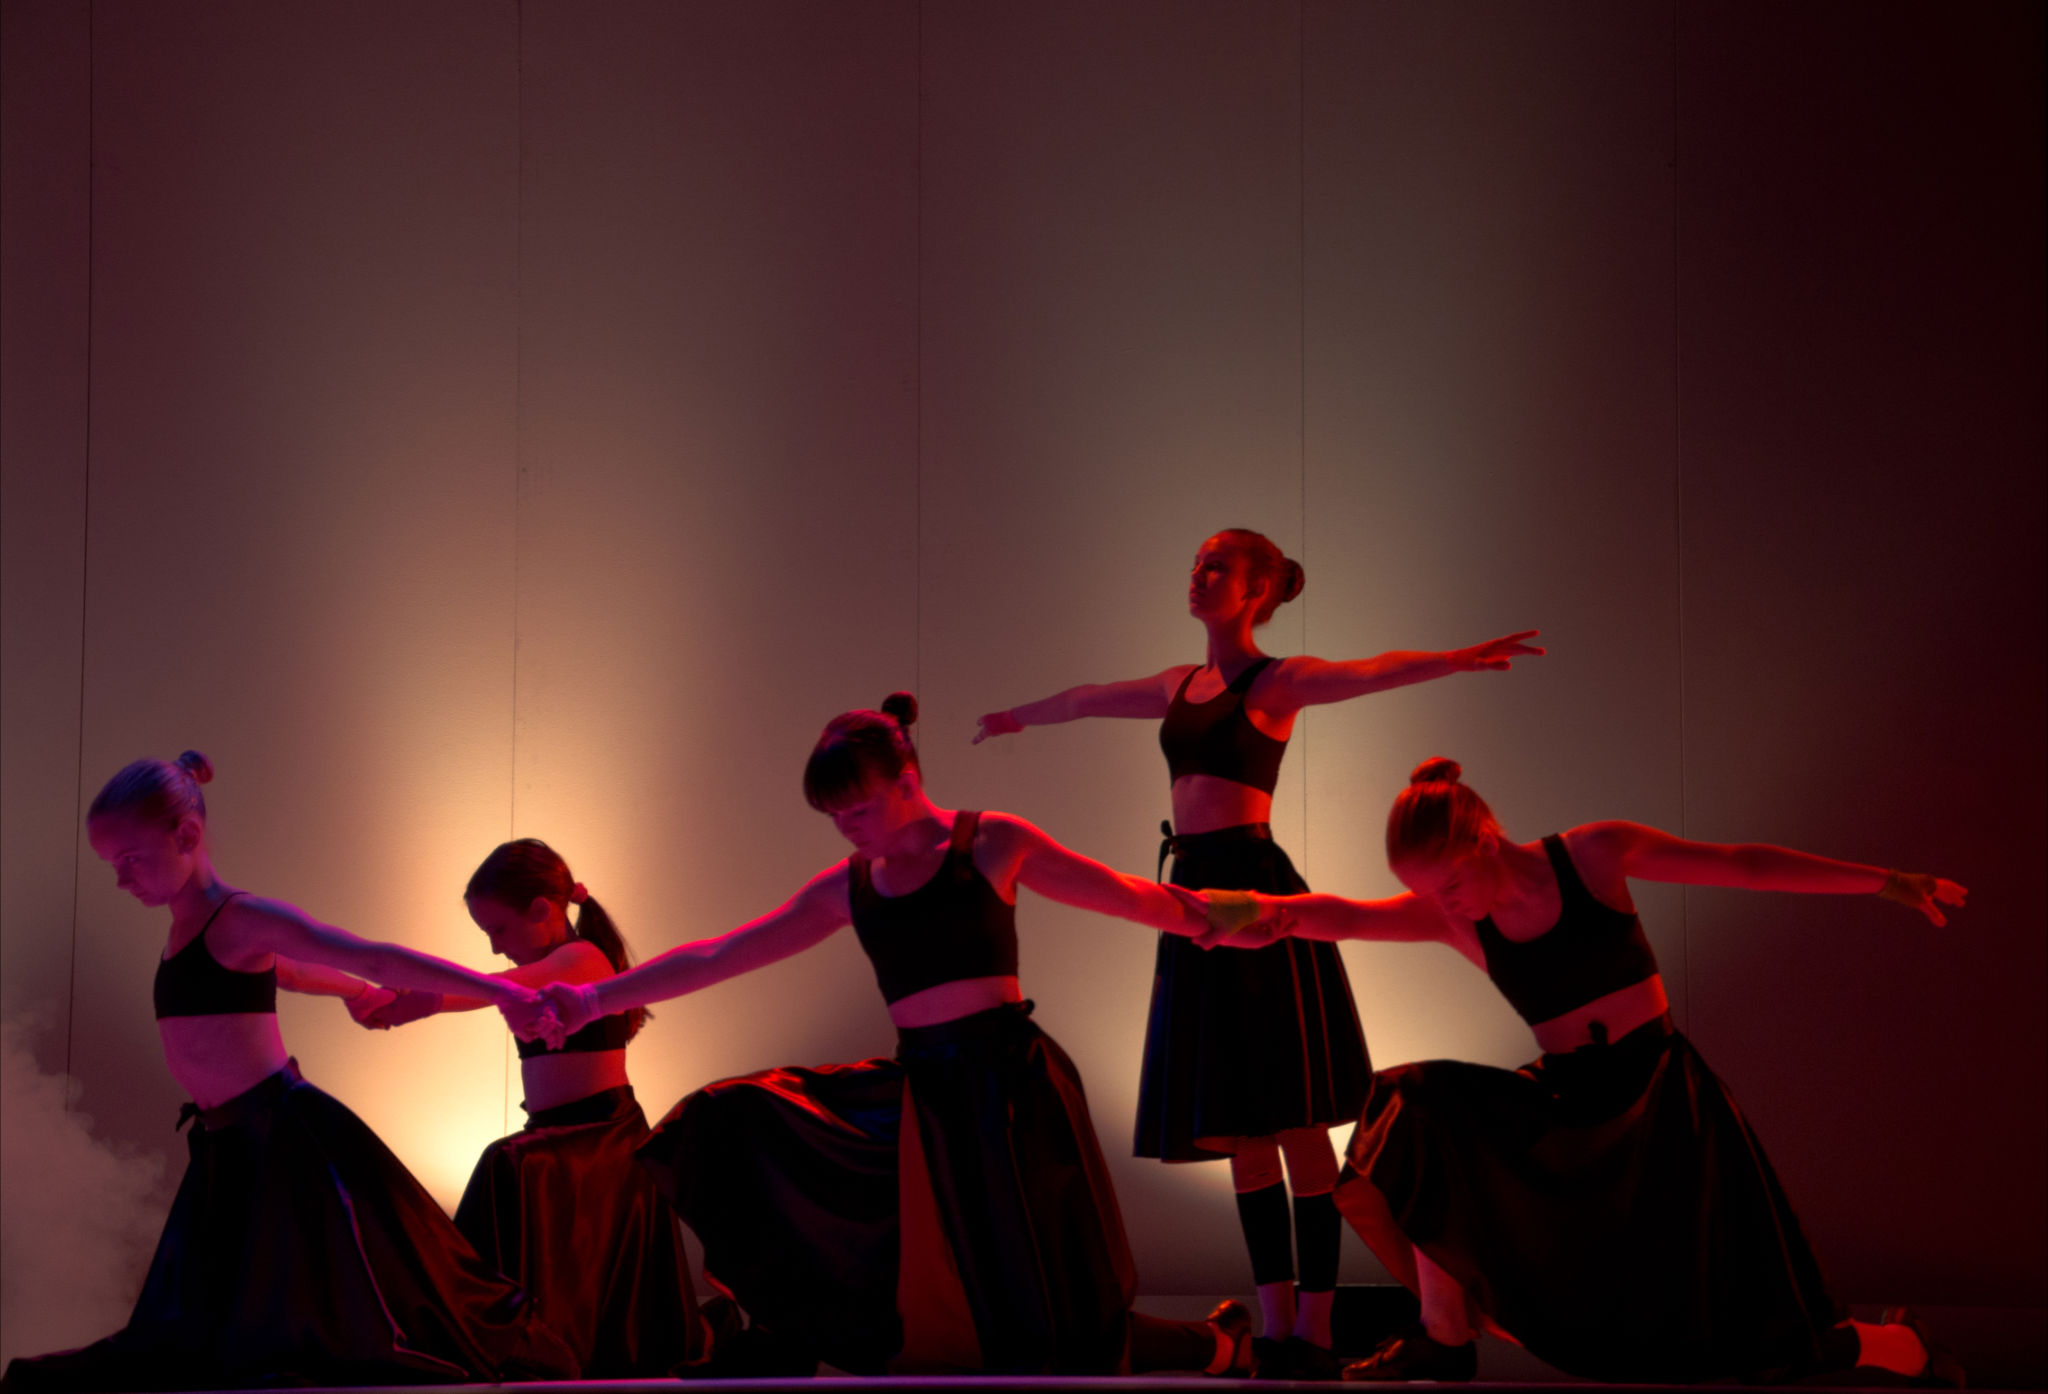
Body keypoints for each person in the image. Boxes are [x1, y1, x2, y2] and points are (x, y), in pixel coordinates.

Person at [528, 695, 1251, 1377]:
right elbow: (721, 954)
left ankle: (1222, 1346)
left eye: (860, 808)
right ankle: (784, 1332)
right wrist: (593, 998)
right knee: (730, 1116)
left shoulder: (991, 842)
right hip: (926, 1096)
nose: (849, 826)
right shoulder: (849, 886)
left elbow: (1123, 894)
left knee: (1056, 1314)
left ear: (907, 780)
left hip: (1011, 1092)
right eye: (835, 816)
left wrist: (1231, 916)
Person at [1181, 757, 1965, 1384]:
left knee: (1761, 1346)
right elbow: (1336, 915)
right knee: (1411, 1102)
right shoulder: (1460, 919)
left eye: (1448, 885)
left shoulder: (1593, 856)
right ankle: (1442, 1337)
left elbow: (1743, 865)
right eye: (1427, 894)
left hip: (1663, 1112)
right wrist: (1238, 912)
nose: (1443, 905)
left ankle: (1904, 1348)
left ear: (1485, 839)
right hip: (1567, 1109)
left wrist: (1884, 880)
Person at [972, 527, 1540, 1369]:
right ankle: (1274, 1324)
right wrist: (1017, 717)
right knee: (1239, 1127)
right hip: (1191, 896)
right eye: (1196, 564)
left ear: (1259, 591)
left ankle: (1316, 1324)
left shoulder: (1275, 682)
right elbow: (1091, 697)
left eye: (1218, 567)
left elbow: (1367, 672)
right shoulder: (1179, 684)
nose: (1199, 575)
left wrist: (1452, 660)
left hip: (1256, 892)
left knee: (1292, 1117)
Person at [0, 752, 577, 1393]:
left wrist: (502, 992)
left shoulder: (238, 917)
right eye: (113, 864)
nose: (120, 879)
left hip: (281, 1138)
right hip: (227, 1146)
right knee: (210, 1328)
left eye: (130, 859)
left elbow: (369, 954)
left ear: (186, 836)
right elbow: (295, 972)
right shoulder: (187, 929)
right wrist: (355, 994)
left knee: (351, 1314)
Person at [354, 839, 712, 1376]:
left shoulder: (580, 958)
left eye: (499, 930)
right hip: (561, 1135)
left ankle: (496, 1338)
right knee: (514, 1164)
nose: (495, 947)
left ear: (543, 910)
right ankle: (498, 1338)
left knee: (507, 1165)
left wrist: (423, 1001)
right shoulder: (553, 962)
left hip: (602, 1139)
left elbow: (494, 988)